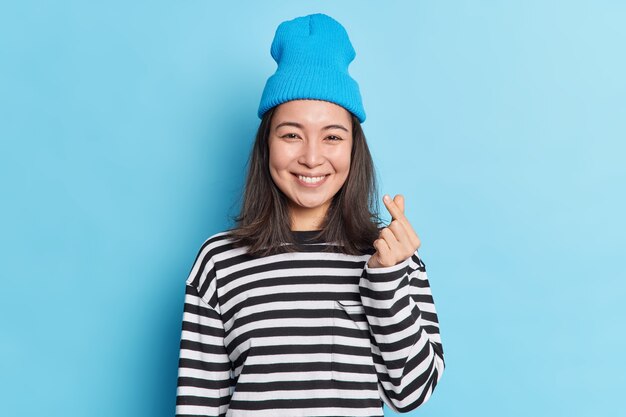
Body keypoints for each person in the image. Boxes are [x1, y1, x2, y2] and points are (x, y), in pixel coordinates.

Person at [174, 13, 445, 417]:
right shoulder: (218, 262)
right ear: (267, 144)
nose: (312, 157)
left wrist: (386, 280)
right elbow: (198, 406)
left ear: (355, 148)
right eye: (291, 134)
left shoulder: (392, 256)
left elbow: (411, 394)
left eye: (333, 136)